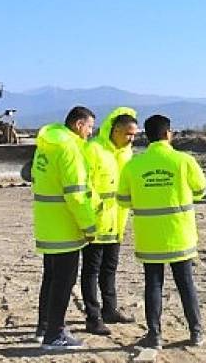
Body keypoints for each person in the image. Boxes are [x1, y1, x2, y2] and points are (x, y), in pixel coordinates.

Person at [118, 114, 206, 349]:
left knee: (153, 284)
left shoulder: (133, 165)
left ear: (146, 136)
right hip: (179, 234)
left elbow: (123, 200)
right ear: (168, 134)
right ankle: (196, 332)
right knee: (186, 283)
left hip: (149, 237)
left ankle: (154, 335)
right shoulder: (183, 160)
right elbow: (201, 190)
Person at [32, 106, 97, 350]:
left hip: (48, 224)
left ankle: (44, 327)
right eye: (89, 127)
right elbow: (76, 195)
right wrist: (89, 226)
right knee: (64, 281)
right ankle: (55, 334)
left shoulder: (47, 145)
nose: (90, 133)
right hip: (65, 226)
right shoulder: (70, 149)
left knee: (50, 278)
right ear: (79, 125)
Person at [80, 107, 138, 335]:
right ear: (114, 130)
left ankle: (110, 309)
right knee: (91, 270)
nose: (131, 139)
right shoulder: (93, 150)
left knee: (110, 268)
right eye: (127, 134)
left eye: (134, 135)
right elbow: (85, 186)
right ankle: (93, 317)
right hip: (96, 222)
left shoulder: (127, 153)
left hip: (117, 222)